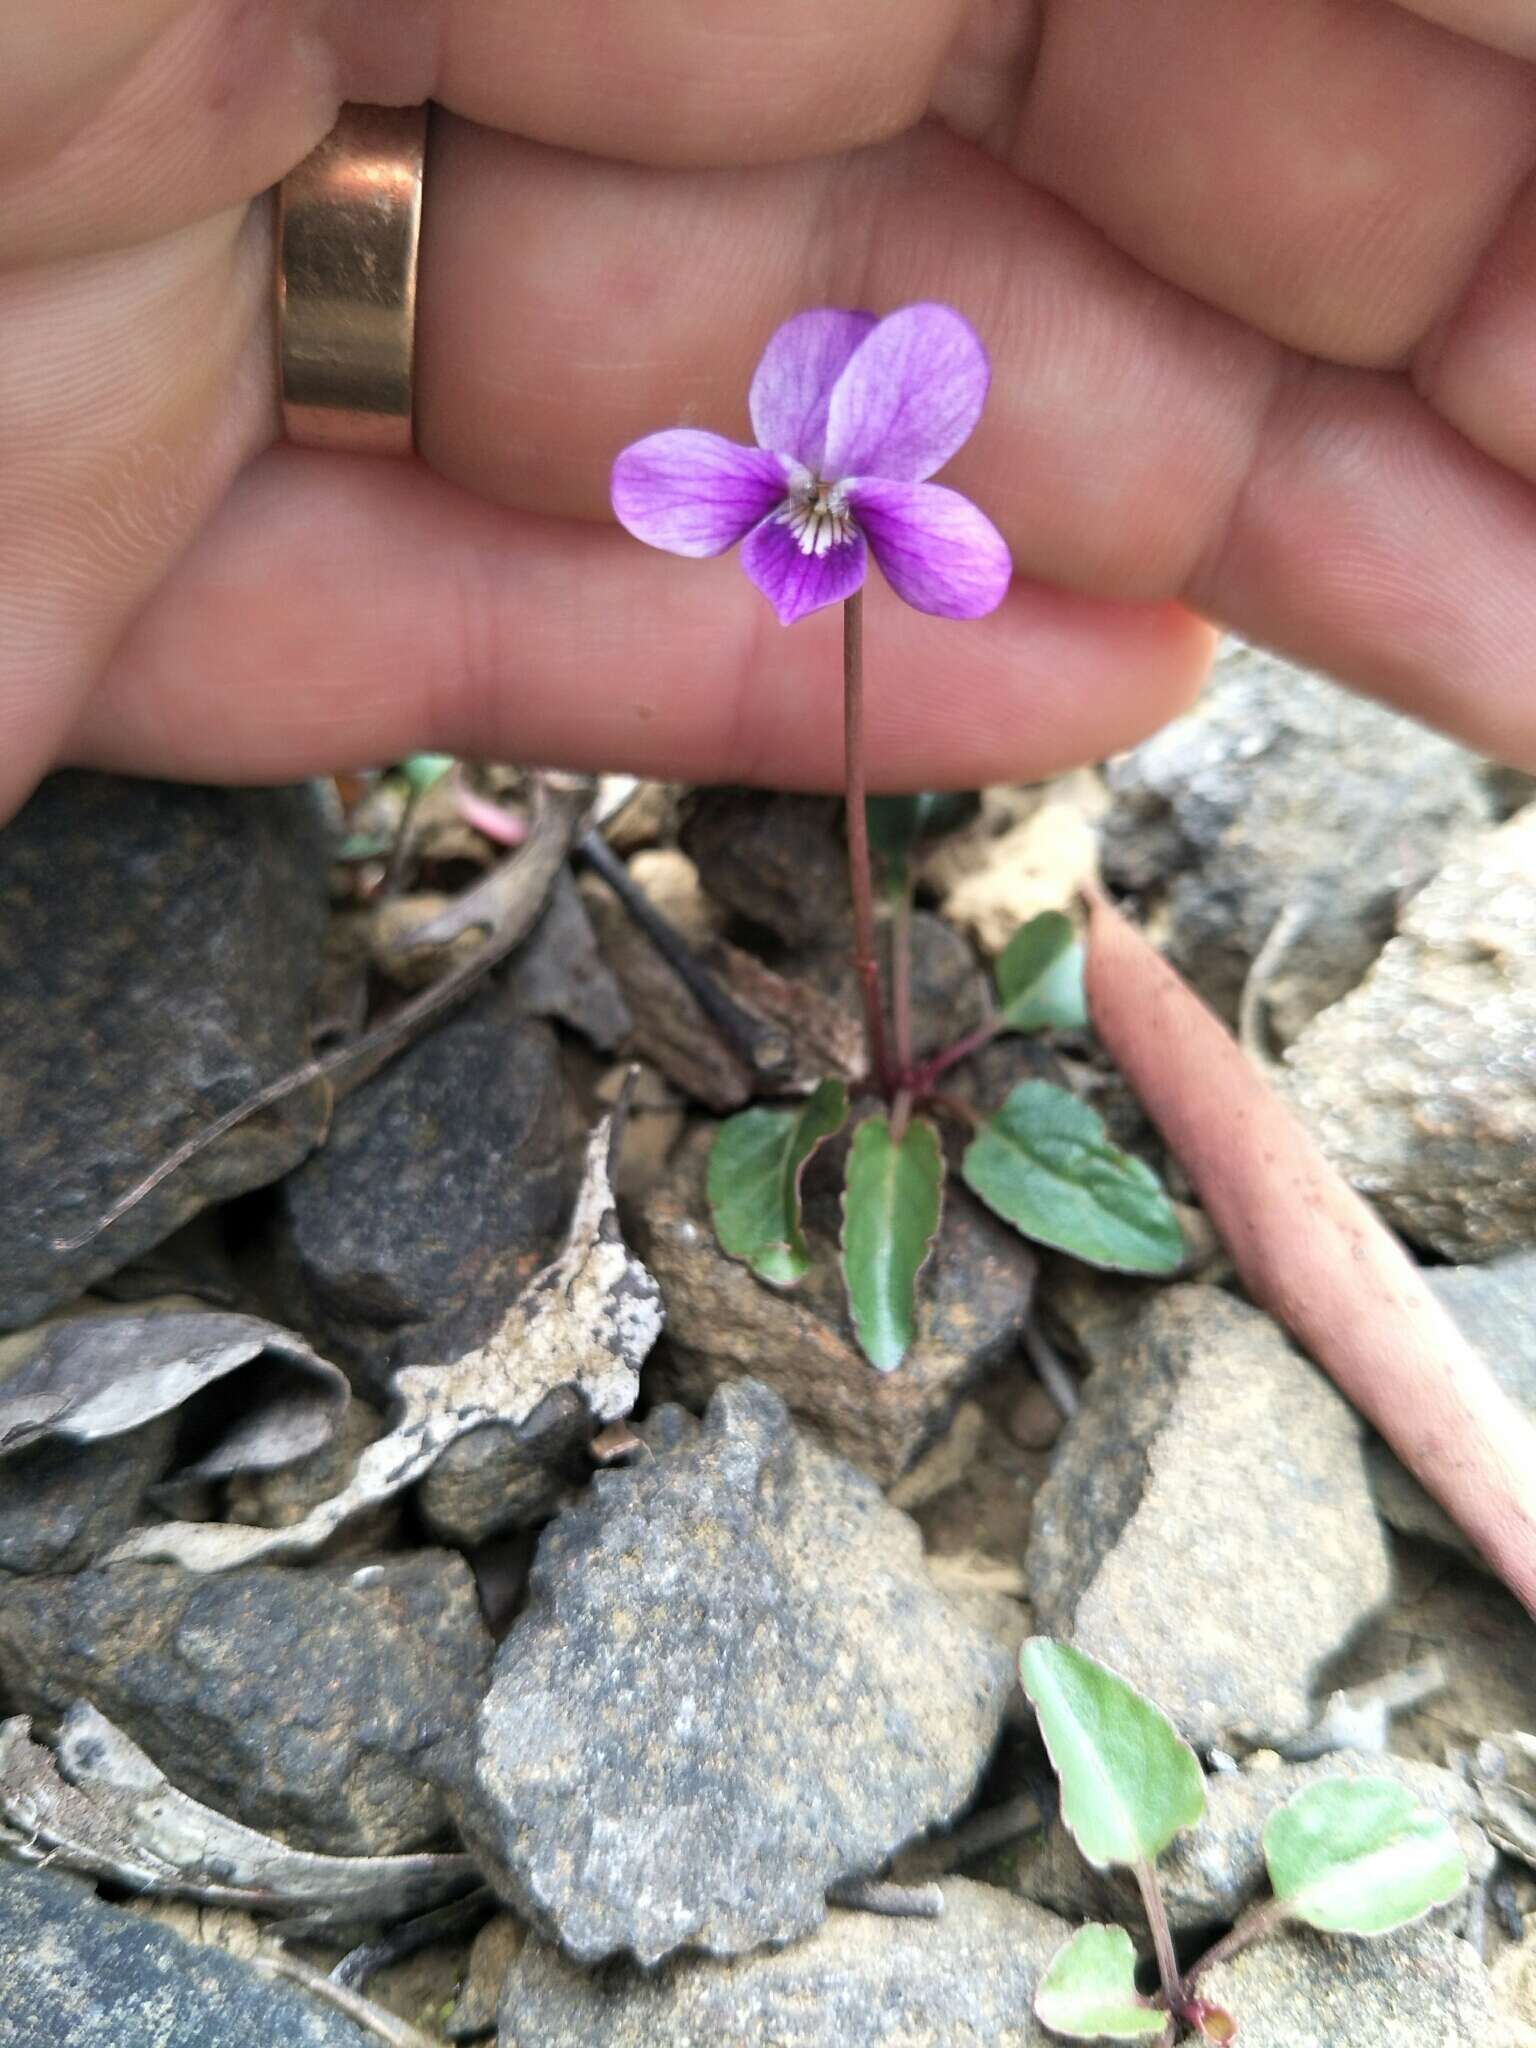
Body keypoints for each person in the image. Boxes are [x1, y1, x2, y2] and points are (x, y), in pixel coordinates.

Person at [5, 0, 1535, 835]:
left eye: (820, 511)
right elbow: (739, 471)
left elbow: (931, 545)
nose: (808, 521)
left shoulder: (864, 508)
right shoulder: (770, 489)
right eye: (807, 504)